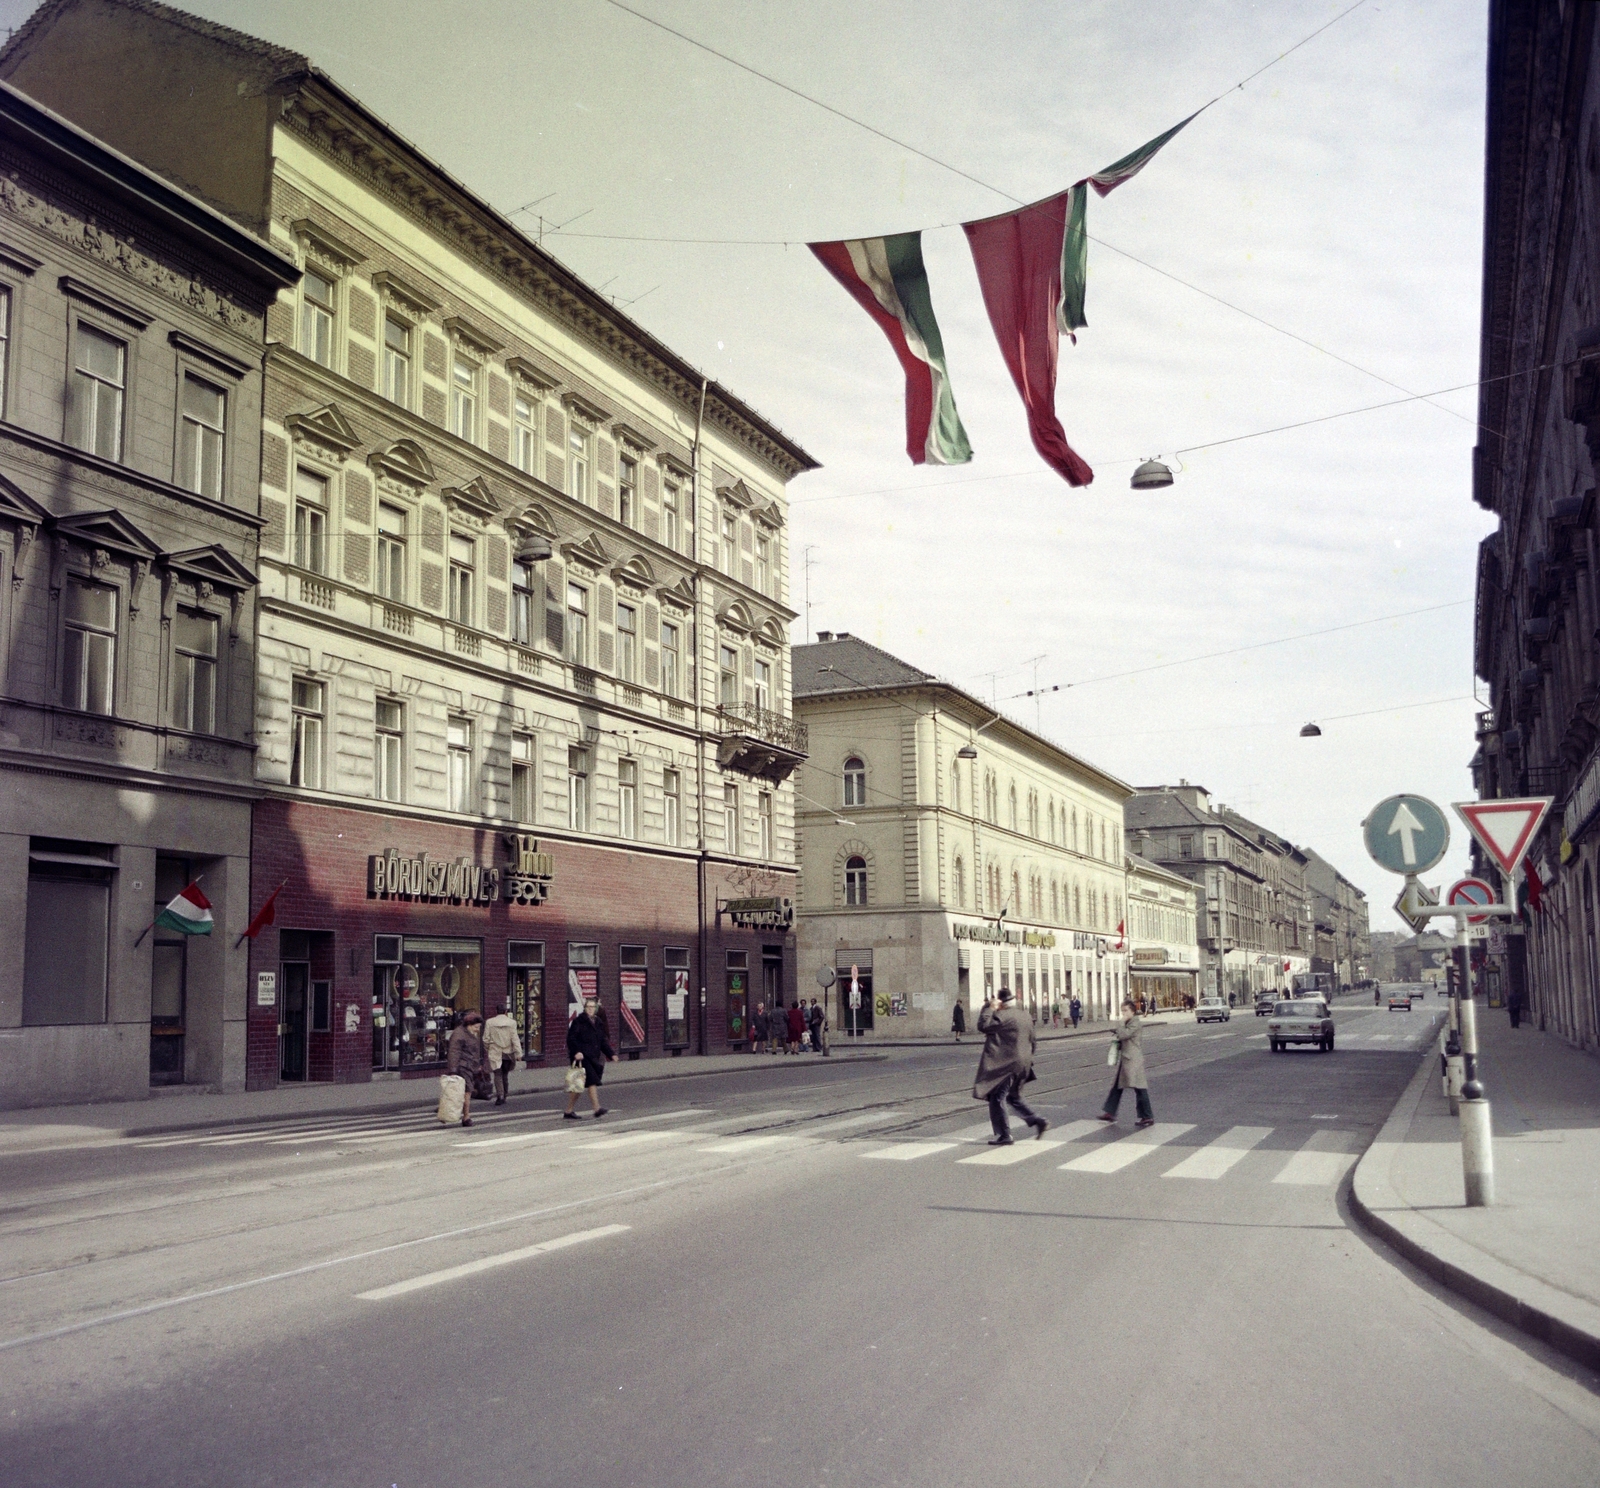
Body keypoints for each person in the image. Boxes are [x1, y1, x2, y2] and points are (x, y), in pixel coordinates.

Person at [971, 988, 1048, 1146]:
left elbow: (983, 1025)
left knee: (997, 1097)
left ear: (1001, 1003)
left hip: (1006, 1065)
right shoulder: (1025, 1015)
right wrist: (1028, 1059)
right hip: (1023, 1063)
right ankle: (1036, 1120)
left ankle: (1004, 1135)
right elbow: (1033, 1041)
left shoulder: (1001, 1016)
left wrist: (989, 1008)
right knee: (1014, 1097)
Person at [1099, 999, 1154, 1128]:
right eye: (1122, 1010)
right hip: (1127, 1059)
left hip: (1133, 1060)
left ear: (1133, 1011)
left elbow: (1124, 1035)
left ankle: (1147, 1116)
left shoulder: (1135, 1023)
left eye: (1125, 1011)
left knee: (1140, 1088)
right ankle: (1109, 1112)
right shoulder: (1130, 1022)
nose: (1123, 1013)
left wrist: (1120, 1023)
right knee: (1117, 1086)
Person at [564, 996, 615, 1119]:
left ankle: (568, 1111)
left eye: (593, 1007)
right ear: (585, 1008)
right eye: (588, 1007)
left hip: (592, 1057)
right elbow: (571, 1038)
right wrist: (576, 1051)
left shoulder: (598, 1022)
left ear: (596, 1008)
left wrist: (611, 1054)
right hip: (581, 1057)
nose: (591, 1009)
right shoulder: (578, 1021)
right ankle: (596, 1108)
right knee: (592, 1080)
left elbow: (602, 1041)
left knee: (577, 1086)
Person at [445, 1010, 487, 1128]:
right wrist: (453, 1070)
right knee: (467, 1091)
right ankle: (466, 1117)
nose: (477, 1029)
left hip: (469, 1066)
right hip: (462, 1067)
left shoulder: (469, 1033)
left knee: (462, 1092)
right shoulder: (459, 1034)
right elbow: (454, 1052)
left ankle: (451, 1112)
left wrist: (477, 1065)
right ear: (469, 1024)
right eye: (476, 1027)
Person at [481, 1001, 524, 1106]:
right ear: (505, 1012)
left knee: (497, 1074)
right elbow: (515, 1039)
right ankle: (505, 1095)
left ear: (496, 1011)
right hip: (508, 1053)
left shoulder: (490, 1022)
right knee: (505, 1074)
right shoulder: (512, 1023)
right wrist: (519, 1053)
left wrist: (488, 1048)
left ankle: (499, 1095)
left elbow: (485, 1039)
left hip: (495, 1051)